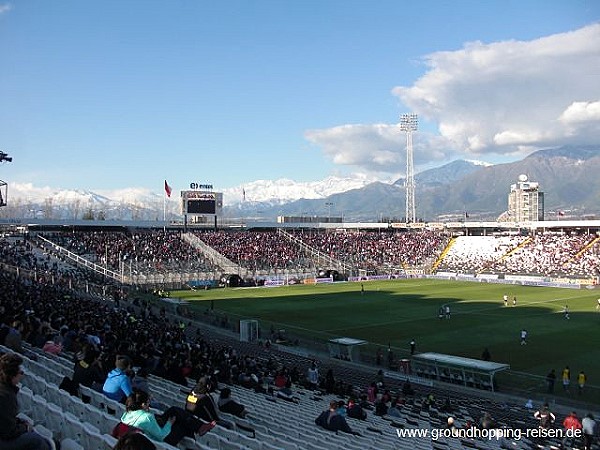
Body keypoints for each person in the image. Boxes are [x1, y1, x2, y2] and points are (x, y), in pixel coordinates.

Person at [120, 389, 214, 446]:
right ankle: (198, 430)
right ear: (143, 404)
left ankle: (199, 427)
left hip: (149, 430)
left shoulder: (126, 414)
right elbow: (161, 436)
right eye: (148, 403)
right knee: (183, 425)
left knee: (174, 410)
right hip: (162, 439)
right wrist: (170, 423)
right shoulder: (147, 417)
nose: (149, 405)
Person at [0, 353, 51, 450]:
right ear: (12, 376)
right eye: (21, 372)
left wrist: (20, 423)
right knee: (36, 440)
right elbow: (8, 432)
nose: (22, 375)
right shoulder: (6, 395)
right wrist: (25, 427)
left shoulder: (4, 389)